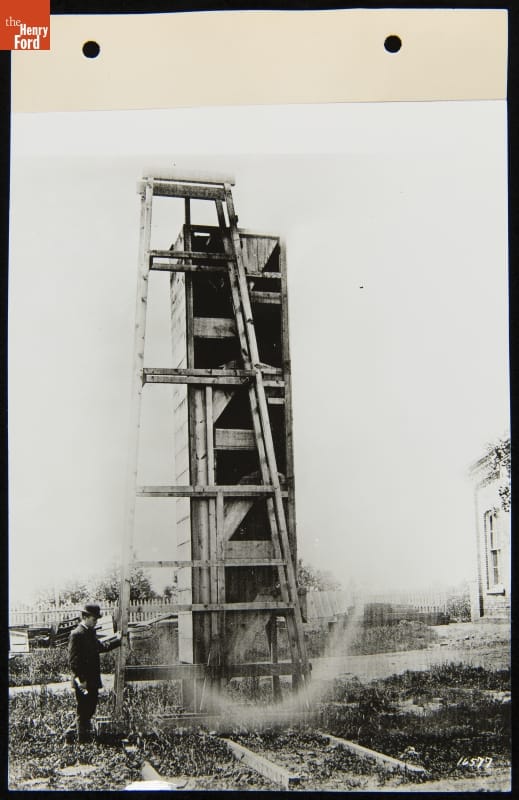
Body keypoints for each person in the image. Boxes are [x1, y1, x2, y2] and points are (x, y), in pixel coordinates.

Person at [67, 603, 121, 743]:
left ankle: (71, 734)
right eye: (94, 619)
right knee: (83, 710)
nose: (96, 621)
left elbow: (100, 647)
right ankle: (82, 740)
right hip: (83, 680)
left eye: (97, 619)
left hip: (93, 678)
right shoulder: (76, 634)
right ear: (85, 617)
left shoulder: (90, 632)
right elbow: (73, 661)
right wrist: (81, 680)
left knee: (90, 708)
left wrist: (118, 640)